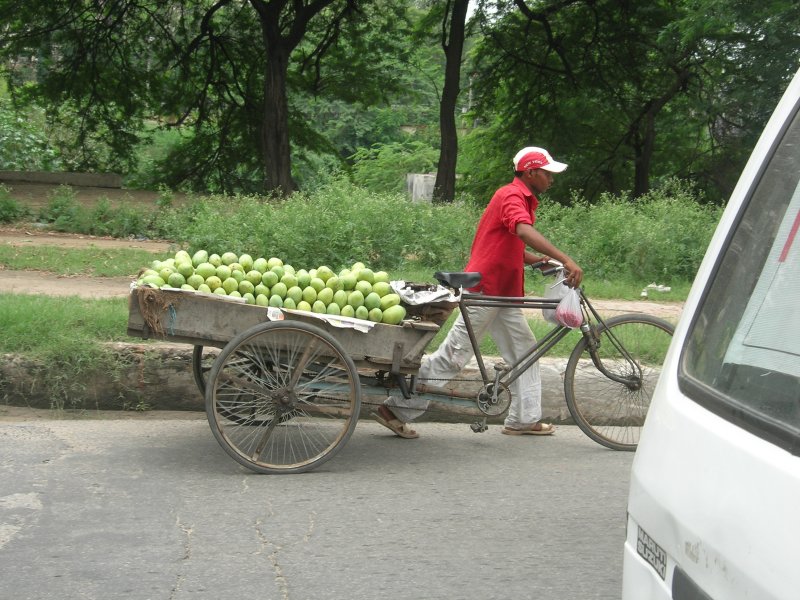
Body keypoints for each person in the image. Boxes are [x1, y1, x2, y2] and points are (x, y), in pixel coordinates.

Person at [372, 146, 583, 439]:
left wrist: (534, 261)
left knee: (526, 352)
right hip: (487, 288)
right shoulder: (511, 195)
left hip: (504, 293)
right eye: (547, 173)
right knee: (454, 357)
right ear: (531, 171)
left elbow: (507, 242)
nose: (551, 179)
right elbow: (522, 231)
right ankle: (394, 410)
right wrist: (567, 259)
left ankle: (524, 419)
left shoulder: (522, 198)